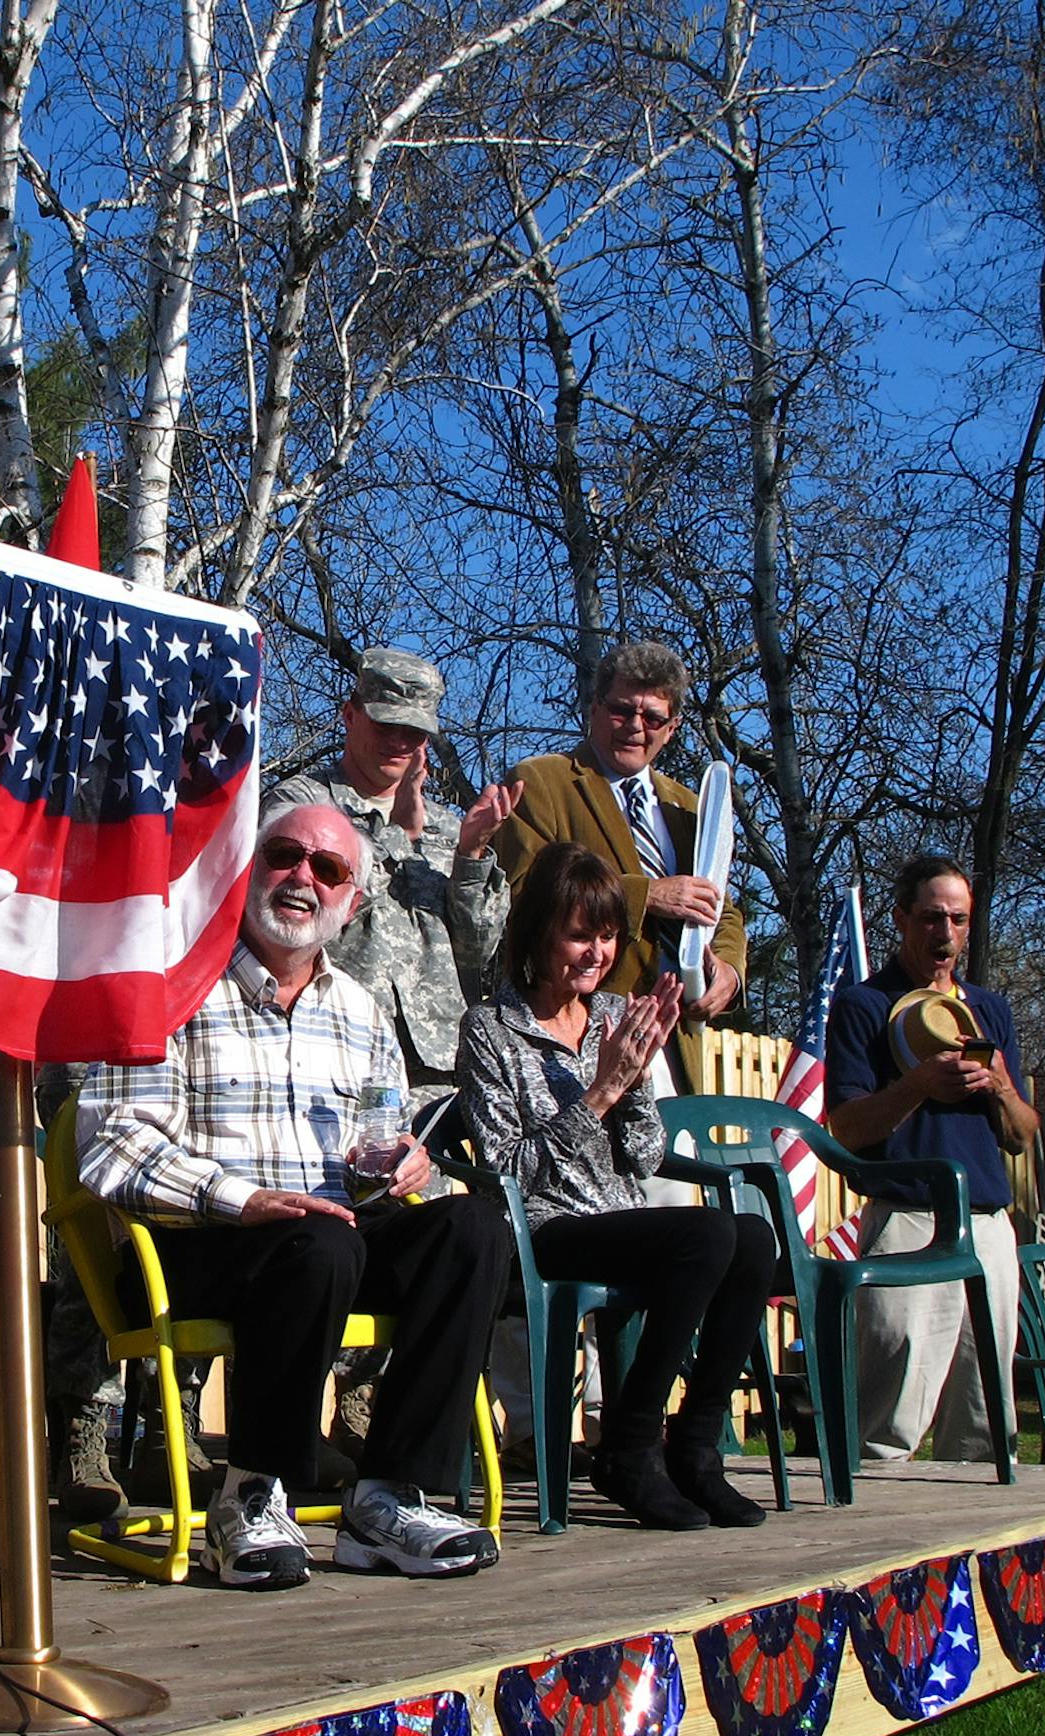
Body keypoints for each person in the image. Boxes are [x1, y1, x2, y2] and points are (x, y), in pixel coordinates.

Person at [76, 803, 510, 1590]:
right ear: (247, 869)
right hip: (194, 1242)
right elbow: (113, 1146)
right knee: (321, 1241)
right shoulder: (172, 988)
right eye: (285, 854)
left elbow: (378, 1146)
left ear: (351, 904)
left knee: (473, 1227)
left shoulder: (362, 1013)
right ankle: (250, 1495)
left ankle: (387, 1498)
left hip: (325, 1240)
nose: (304, 876)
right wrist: (241, 1199)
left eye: (331, 869)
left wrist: (403, 1164)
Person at [457, 842, 774, 1530]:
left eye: (606, 936)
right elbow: (508, 1168)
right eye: (579, 934)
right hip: (540, 1229)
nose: (596, 953)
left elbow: (644, 1153)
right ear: (538, 933)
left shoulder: (610, 1015)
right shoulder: (490, 1028)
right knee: (708, 1233)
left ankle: (694, 1447)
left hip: (615, 1216)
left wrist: (633, 1081)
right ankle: (630, 1446)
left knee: (751, 1236)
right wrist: (600, 1090)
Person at [827, 855, 1040, 1462]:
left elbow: (1023, 1137)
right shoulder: (865, 1005)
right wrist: (918, 1084)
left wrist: (999, 1084)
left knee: (987, 1423)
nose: (943, 933)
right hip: (908, 1219)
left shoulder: (990, 1013)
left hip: (990, 1226)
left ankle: (979, 1552)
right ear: (901, 919)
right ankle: (872, 1538)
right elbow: (845, 1127)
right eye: (930, 917)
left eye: (957, 919)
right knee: (887, 1421)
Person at [495, 641, 745, 1096]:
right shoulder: (542, 783)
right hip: (578, 1033)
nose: (635, 727)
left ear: (672, 728)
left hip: (675, 1041)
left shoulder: (689, 808)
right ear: (593, 708)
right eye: (621, 710)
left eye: (652, 718)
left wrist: (729, 968)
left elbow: (721, 907)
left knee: (678, 1169)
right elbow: (523, 892)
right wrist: (644, 895)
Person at [270, 648, 519, 1097]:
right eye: (387, 725)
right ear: (350, 715)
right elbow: (299, 926)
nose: (400, 742)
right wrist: (398, 838)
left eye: (414, 732)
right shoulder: (302, 808)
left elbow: (478, 956)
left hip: (442, 1064)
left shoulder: (447, 826)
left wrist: (472, 855)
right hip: (337, 1049)